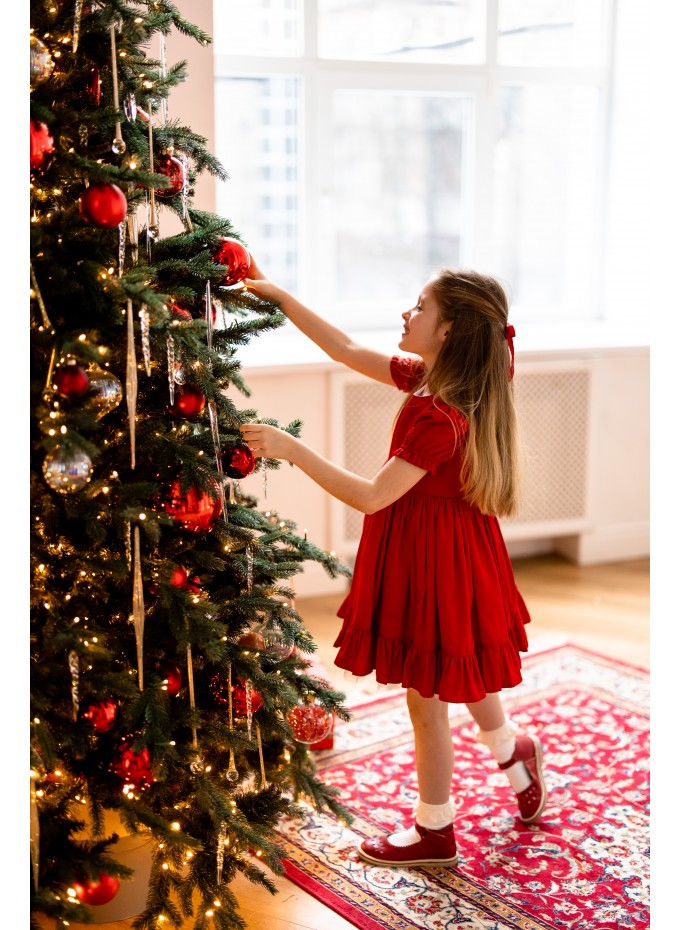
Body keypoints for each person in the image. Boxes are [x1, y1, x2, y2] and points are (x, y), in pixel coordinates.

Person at [240, 260, 547, 867]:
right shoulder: (436, 381)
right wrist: (279, 295)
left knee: (426, 695)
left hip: (436, 559)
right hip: (449, 548)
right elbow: (345, 347)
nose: (405, 315)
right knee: (463, 660)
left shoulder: (442, 415)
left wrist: (291, 448)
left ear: (450, 330)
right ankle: (513, 750)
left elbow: (371, 495)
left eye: (419, 307)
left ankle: (435, 830)